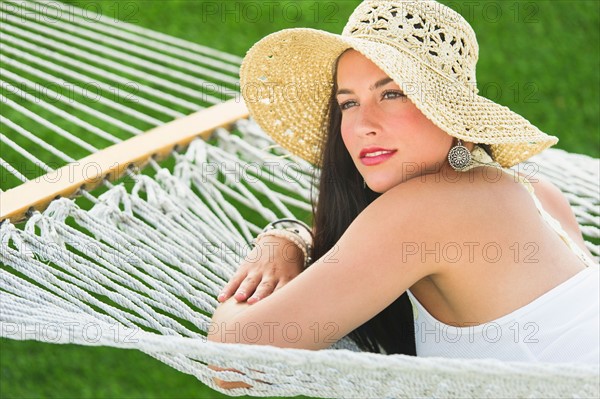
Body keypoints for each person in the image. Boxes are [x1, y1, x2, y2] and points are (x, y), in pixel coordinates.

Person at [208, 0, 599, 387]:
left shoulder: (426, 211)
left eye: (392, 94)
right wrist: (292, 236)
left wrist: (275, 243)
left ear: (452, 111)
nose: (363, 125)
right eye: (348, 103)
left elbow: (232, 363)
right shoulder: (538, 193)